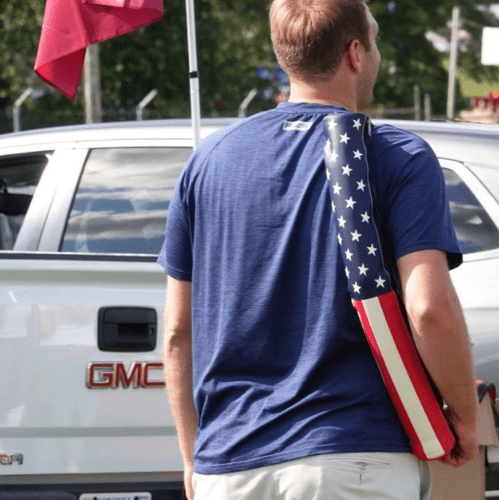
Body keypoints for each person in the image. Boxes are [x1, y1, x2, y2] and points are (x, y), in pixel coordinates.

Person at [158, 0, 479, 498]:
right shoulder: (396, 155)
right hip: (353, 456)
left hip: (229, 462)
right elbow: (429, 309)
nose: (376, 57)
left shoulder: (207, 161)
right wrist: (465, 417)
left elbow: (178, 333)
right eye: (373, 40)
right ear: (354, 52)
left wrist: (192, 457)